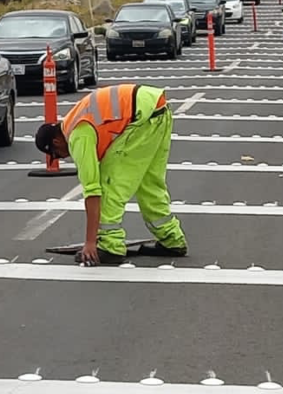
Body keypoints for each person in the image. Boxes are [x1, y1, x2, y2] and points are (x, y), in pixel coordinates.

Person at [35, 83, 188, 266]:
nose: (61, 157)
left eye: (56, 154)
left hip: (141, 116)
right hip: (157, 109)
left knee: (109, 184)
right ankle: (172, 239)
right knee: (149, 184)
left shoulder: (77, 135)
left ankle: (110, 245)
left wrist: (90, 243)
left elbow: (92, 190)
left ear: (56, 142)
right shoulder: (74, 121)